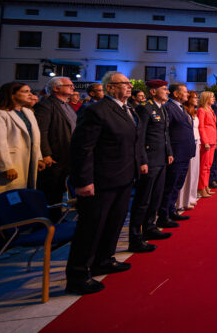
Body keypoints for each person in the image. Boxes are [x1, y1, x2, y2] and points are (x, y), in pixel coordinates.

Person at [66, 71, 143, 294]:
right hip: (101, 180)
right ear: (110, 88)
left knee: (114, 223)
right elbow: (83, 148)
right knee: (91, 228)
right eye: (125, 84)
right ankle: (78, 275)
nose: (130, 87)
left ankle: (104, 259)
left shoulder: (127, 110)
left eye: (130, 84)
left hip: (124, 176)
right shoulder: (96, 110)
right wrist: (83, 180)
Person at [128, 80, 174, 253]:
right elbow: (140, 137)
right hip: (150, 160)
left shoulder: (161, 108)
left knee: (156, 196)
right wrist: (142, 160)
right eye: (164, 89)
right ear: (153, 91)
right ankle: (135, 237)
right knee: (143, 200)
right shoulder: (145, 108)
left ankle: (150, 227)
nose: (167, 92)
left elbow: (164, 133)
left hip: (161, 158)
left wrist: (169, 151)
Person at [33, 76, 76, 220]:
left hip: (67, 155)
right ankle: (49, 222)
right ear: (56, 88)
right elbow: (41, 131)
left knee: (60, 189)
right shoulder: (46, 105)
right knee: (52, 191)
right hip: (54, 156)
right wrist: (45, 154)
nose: (73, 87)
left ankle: (58, 218)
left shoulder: (66, 105)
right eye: (69, 85)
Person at [0, 82, 43, 195]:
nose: (30, 95)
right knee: (9, 196)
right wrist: (6, 166)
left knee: (24, 192)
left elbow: (35, 137)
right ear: (12, 95)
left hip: (28, 158)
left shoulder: (28, 112)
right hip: (13, 161)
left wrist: (38, 157)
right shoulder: (0, 113)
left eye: (30, 91)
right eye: (25, 91)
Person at [162, 83, 196, 221]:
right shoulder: (169, 108)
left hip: (185, 152)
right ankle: (164, 215)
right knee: (170, 185)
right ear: (176, 94)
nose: (187, 94)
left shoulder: (182, 108)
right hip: (176, 152)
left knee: (178, 184)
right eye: (185, 92)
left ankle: (172, 210)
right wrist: (169, 151)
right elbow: (166, 132)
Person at [177, 91, 200, 211]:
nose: (197, 99)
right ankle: (181, 201)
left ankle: (190, 198)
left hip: (196, 142)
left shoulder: (194, 112)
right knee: (185, 175)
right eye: (195, 97)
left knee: (194, 173)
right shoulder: (184, 111)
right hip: (187, 144)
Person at [197, 92, 217, 198]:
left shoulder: (210, 109)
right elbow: (201, 127)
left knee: (209, 165)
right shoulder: (201, 110)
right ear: (206, 98)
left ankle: (206, 185)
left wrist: (216, 139)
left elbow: (213, 126)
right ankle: (201, 187)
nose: (214, 99)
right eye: (212, 97)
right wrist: (205, 141)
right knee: (204, 166)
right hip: (207, 141)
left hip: (212, 140)